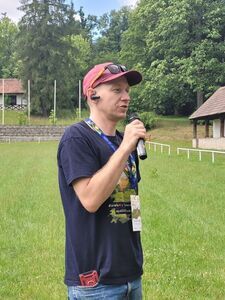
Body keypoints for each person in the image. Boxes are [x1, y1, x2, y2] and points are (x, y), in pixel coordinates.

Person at [57, 62, 146, 299]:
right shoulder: (76, 138)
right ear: (92, 95)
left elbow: (131, 200)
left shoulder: (122, 141)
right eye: (116, 90)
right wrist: (126, 146)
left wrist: (136, 259)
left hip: (131, 274)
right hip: (95, 282)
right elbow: (90, 199)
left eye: (127, 90)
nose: (126, 97)